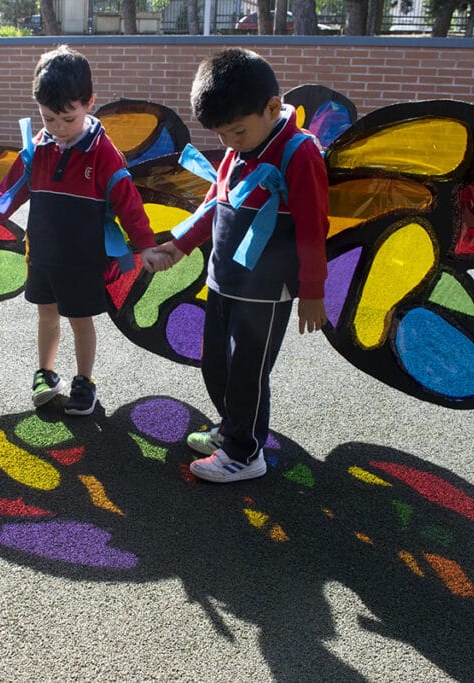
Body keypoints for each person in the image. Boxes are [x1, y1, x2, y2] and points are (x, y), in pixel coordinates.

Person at [0, 45, 170, 416]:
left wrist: (146, 245)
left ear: (89, 103)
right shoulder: (38, 147)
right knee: (46, 314)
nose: (58, 129)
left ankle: (84, 381)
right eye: (49, 119)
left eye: (68, 119)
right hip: (42, 256)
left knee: (80, 320)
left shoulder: (104, 153)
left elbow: (128, 203)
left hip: (83, 260)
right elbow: (7, 194)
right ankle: (46, 373)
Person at [152, 48, 329, 482]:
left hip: (265, 292)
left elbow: (312, 227)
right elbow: (216, 201)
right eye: (221, 135)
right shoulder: (241, 146)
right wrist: (178, 246)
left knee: (247, 373)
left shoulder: (299, 151)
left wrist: (312, 290)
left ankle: (246, 453)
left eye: (237, 131)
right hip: (224, 280)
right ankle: (232, 430)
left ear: (271, 108)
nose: (229, 142)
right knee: (217, 364)